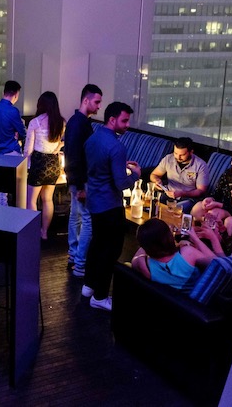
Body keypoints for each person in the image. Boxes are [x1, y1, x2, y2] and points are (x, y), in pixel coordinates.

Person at [82, 101, 141, 311]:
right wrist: (135, 174)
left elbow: (97, 168)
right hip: (110, 205)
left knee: (96, 245)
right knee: (111, 251)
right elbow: (120, 183)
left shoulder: (93, 138)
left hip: (94, 201)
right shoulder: (117, 146)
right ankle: (99, 297)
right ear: (112, 119)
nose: (127, 125)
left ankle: (88, 287)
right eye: (124, 120)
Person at [65, 84, 102, 277]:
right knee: (87, 218)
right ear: (85, 100)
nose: (98, 106)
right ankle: (80, 263)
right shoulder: (80, 123)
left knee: (75, 215)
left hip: (75, 177)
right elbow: (74, 155)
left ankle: (74, 256)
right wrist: (80, 185)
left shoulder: (76, 122)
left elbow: (71, 155)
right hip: (81, 179)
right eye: (96, 101)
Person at [130, 219, 212, 293]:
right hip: (193, 303)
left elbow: (136, 258)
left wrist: (148, 242)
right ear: (169, 236)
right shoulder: (188, 253)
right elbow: (220, 264)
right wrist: (196, 239)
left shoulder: (143, 265)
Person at [25, 91, 65, 241]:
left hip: (39, 164)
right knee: (48, 199)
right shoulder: (61, 122)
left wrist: (25, 162)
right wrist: (55, 149)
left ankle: (33, 232)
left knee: (31, 200)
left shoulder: (35, 122)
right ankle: (44, 232)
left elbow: (28, 149)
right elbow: (60, 144)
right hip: (53, 164)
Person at [191, 149, 232, 222]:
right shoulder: (228, 174)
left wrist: (218, 205)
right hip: (219, 206)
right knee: (198, 207)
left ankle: (207, 232)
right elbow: (216, 193)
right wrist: (210, 199)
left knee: (214, 214)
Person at [149, 137, 209, 213]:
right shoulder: (168, 159)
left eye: (182, 155)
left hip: (188, 198)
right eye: (176, 153)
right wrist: (157, 181)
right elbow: (154, 175)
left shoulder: (201, 165)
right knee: (151, 204)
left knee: (175, 210)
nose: (178, 157)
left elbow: (201, 191)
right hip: (168, 194)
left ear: (191, 152)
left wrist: (181, 193)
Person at [0, 80, 27, 155]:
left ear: (3, 93)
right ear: (16, 95)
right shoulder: (13, 111)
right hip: (11, 151)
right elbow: (23, 133)